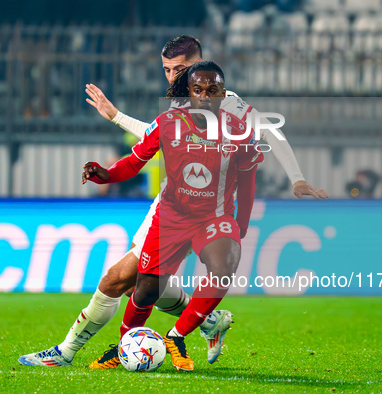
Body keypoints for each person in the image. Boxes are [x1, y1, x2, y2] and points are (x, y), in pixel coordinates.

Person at [18, 35, 327, 369]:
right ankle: (204, 322)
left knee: (121, 280)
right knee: (137, 281)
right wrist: (117, 117)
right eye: (166, 69)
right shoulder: (180, 101)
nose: (171, 76)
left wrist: (296, 177)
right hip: (172, 204)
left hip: (204, 210)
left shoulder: (226, 101)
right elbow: (157, 134)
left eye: (179, 69)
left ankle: (71, 351)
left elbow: (269, 132)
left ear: (200, 66)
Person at [83, 61, 267, 371]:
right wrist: (105, 176)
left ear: (224, 93)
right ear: (188, 93)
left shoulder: (240, 132)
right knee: (145, 290)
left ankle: (176, 336)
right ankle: (125, 345)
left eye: (213, 90)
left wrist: (242, 223)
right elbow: (134, 161)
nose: (205, 96)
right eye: (198, 90)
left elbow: (248, 178)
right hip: (172, 217)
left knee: (224, 267)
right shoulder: (167, 123)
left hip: (214, 217)